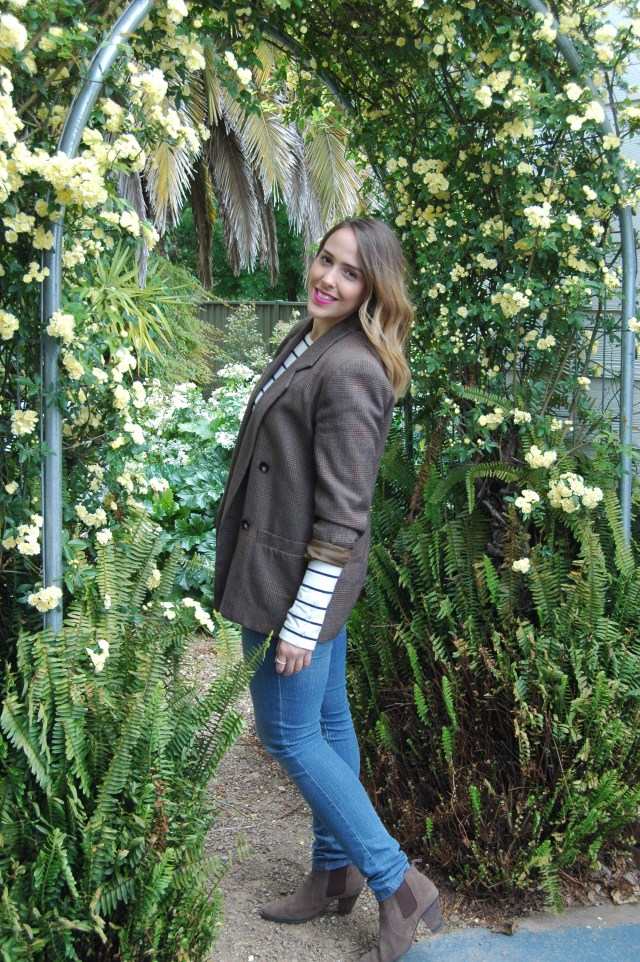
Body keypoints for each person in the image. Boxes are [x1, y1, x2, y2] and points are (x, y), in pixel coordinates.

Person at [214, 217, 442, 962]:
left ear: (373, 291)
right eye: (325, 260)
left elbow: (344, 517)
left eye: (350, 273)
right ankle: (332, 872)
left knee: (289, 734)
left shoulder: (351, 370)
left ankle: (397, 884)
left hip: (294, 587)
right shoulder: (312, 337)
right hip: (286, 574)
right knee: (330, 723)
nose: (328, 278)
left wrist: (302, 623)